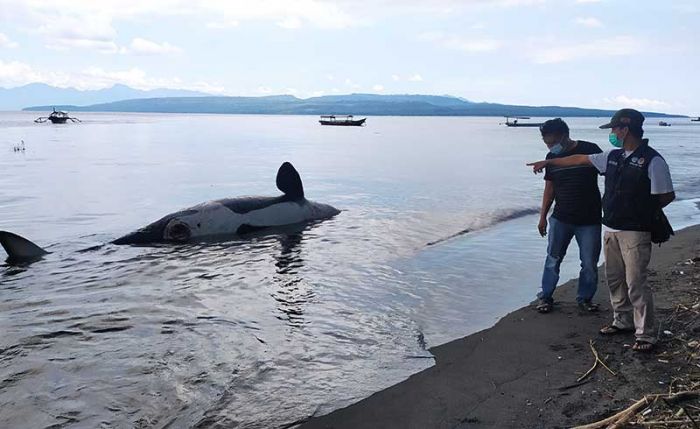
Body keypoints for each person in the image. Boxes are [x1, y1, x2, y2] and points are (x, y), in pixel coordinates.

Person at [527, 109, 675, 352]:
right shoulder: (613, 156)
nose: (613, 134)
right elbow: (579, 160)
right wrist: (549, 162)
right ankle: (622, 321)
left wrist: (639, 210)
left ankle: (646, 334)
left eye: (615, 129)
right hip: (609, 227)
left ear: (625, 129)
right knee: (614, 278)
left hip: (634, 230)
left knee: (636, 282)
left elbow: (666, 195)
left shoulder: (652, 160)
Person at [534, 118, 603, 314]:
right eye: (547, 143)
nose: (550, 146)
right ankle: (545, 297)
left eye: (552, 142)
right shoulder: (550, 158)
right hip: (561, 218)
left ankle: (585, 298)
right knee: (553, 259)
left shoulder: (590, 149)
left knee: (589, 262)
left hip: (589, 219)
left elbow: (610, 174)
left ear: (564, 136)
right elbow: (550, 189)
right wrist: (542, 217)